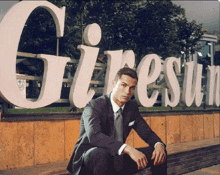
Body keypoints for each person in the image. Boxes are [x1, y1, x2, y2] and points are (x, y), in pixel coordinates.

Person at [67, 67, 167, 175]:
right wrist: (128, 149)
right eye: (123, 85)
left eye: (132, 88)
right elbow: (94, 136)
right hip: (89, 162)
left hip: (117, 159)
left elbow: (146, 133)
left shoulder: (131, 107)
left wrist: (158, 144)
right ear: (114, 83)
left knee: (159, 152)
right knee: (102, 154)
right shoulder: (95, 105)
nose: (127, 92)